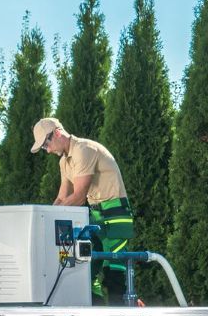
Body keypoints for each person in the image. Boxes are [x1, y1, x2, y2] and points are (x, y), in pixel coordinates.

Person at [30, 116, 134, 302]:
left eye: (46, 144)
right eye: (44, 148)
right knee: (86, 270)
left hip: (115, 214)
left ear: (57, 133)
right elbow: (62, 198)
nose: (47, 150)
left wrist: (49, 221)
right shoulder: (64, 161)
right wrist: (43, 221)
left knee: (114, 273)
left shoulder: (83, 150)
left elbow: (78, 197)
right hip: (96, 215)